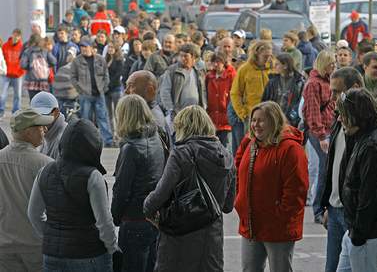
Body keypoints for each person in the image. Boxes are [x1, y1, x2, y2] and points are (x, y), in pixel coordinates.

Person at [143, 105, 235, 272]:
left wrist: (147, 207)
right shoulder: (226, 156)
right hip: (211, 241)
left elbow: (160, 194)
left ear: (183, 127)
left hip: (180, 236)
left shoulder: (181, 154)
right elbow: (228, 206)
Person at [27, 119, 119, 272]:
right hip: (89, 253)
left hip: (53, 256)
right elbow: (104, 222)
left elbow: (33, 214)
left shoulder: (44, 171)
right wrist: (112, 248)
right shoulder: (93, 177)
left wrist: (52, 236)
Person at [234, 101, 308, 272]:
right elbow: (238, 171)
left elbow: (296, 190)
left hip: (278, 228)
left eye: (261, 120)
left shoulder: (290, 149)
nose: (255, 125)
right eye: (254, 120)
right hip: (251, 225)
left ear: (274, 121)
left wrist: (279, 216)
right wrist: (240, 200)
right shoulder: (250, 143)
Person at [336, 88, 377, 272]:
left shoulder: (373, 145)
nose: (339, 119)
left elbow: (370, 194)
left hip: (372, 235)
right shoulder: (363, 136)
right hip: (361, 232)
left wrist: (358, 235)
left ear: (356, 115)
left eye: (343, 114)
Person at [111, 95, 165, 272]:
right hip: (153, 216)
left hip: (134, 219)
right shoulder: (156, 137)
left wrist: (115, 217)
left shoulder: (131, 148)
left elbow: (121, 190)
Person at [320, 67, 364, 272]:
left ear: (355, 88)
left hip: (353, 213)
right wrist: (329, 203)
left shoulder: (366, 126)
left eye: (337, 92)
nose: (332, 97)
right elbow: (334, 166)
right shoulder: (340, 118)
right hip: (336, 209)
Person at [0, 108, 54, 271]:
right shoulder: (47, 164)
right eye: (40, 126)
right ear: (29, 132)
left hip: (4, 245)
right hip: (35, 246)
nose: (45, 129)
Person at [302, 50, 336, 224]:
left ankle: (325, 207)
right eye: (331, 64)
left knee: (328, 169)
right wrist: (322, 136)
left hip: (331, 129)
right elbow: (313, 114)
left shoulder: (329, 81)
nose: (334, 67)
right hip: (319, 132)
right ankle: (318, 209)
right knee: (324, 170)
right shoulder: (313, 84)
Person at [70, 37, 113, 147]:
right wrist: (80, 89)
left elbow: (106, 75)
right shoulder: (76, 61)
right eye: (82, 46)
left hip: (99, 94)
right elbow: (73, 78)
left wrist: (103, 88)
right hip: (85, 95)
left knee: (103, 118)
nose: (83, 48)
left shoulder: (100, 59)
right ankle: (86, 141)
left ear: (91, 47)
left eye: (85, 46)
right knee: (86, 119)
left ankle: (108, 141)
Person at [230, 40, 272, 136]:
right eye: (265, 56)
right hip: (252, 117)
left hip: (269, 115)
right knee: (251, 146)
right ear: (257, 54)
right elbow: (235, 93)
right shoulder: (245, 69)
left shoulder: (271, 69)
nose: (268, 59)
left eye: (270, 56)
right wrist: (243, 113)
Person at [159, 43, 207, 125]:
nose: (182, 58)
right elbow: (165, 91)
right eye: (181, 56)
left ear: (193, 57)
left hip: (195, 114)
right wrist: (170, 110)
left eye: (185, 56)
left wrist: (204, 106)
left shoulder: (198, 71)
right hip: (178, 114)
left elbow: (203, 91)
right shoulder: (172, 71)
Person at [262, 53, 305, 127]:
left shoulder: (299, 82)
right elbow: (265, 101)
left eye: (277, 64)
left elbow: (301, 104)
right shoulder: (272, 81)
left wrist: (290, 119)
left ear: (285, 66)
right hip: (273, 120)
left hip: (291, 123)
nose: (274, 66)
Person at [206, 52, 236, 147]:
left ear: (223, 63)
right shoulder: (209, 77)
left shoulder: (231, 76)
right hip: (212, 118)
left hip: (226, 119)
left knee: (225, 147)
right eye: (214, 62)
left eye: (218, 62)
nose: (216, 64)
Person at [30, 92, 67, 159]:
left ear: (56, 113)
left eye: (44, 115)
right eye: (35, 115)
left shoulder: (62, 140)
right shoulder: (45, 132)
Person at [20, 34, 56, 100]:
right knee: (43, 101)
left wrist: (31, 67)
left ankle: (34, 110)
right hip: (43, 80)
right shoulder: (45, 50)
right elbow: (54, 61)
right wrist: (47, 65)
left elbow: (23, 65)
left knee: (33, 101)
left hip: (31, 80)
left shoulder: (27, 51)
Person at [0, 28, 25, 118]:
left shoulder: (22, 47)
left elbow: (24, 61)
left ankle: (16, 112)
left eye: (18, 35)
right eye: (15, 34)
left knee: (17, 95)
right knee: (2, 94)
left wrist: (21, 71)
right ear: (12, 34)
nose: (16, 37)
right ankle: (1, 112)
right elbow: (1, 59)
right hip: (5, 74)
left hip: (17, 75)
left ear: (20, 37)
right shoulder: (5, 46)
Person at [53, 47, 79, 118]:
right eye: (68, 54)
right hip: (64, 95)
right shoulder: (63, 68)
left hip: (67, 96)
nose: (68, 56)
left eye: (70, 54)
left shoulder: (74, 67)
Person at [105, 42, 124, 133]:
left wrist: (109, 85)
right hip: (106, 91)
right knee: (109, 114)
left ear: (116, 49)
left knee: (118, 113)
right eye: (109, 47)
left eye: (112, 47)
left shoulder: (119, 60)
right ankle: (112, 133)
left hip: (115, 89)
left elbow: (118, 75)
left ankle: (120, 133)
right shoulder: (106, 59)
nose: (110, 49)